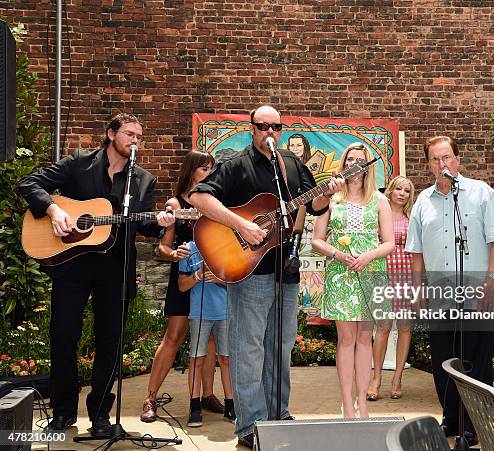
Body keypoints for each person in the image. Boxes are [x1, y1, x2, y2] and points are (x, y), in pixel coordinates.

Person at [188, 105, 343, 449]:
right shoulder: (236, 165)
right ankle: (250, 425)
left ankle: (278, 416)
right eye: (263, 126)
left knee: (281, 346)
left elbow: (315, 206)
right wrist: (241, 223)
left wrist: (327, 193)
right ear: (252, 128)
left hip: (284, 269)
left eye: (276, 127)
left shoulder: (289, 164)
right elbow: (198, 197)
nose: (270, 132)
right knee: (249, 350)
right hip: (249, 269)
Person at [18, 113, 175, 436]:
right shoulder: (79, 163)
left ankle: (101, 414)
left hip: (114, 269)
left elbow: (142, 224)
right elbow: (29, 183)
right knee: (63, 336)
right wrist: (55, 210)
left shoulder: (142, 180)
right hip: (72, 264)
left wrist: (160, 222)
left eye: (139, 136)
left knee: (110, 343)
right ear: (111, 134)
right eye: (130, 134)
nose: (135, 141)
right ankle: (63, 412)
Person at [405, 136, 494, 446]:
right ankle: (451, 419)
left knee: (476, 358)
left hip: (478, 288)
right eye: (436, 160)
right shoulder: (423, 201)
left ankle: (476, 423)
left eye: (447, 157)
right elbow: (416, 251)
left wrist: (491, 281)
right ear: (428, 165)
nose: (443, 164)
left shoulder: (481, 193)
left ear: (458, 159)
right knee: (443, 359)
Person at [140, 151, 226, 422]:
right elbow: (163, 246)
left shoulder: (214, 202)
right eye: (204, 169)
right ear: (191, 171)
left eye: (212, 169)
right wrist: (173, 254)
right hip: (186, 278)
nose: (209, 173)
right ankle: (150, 397)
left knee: (211, 338)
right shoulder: (175, 203)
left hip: (211, 280)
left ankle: (206, 395)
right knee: (174, 336)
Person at [311, 142, 394, 419]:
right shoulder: (332, 199)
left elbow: (390, 243)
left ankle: (363, 401)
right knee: (346, 339)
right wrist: (339, 254)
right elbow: (316, 241)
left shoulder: (380, 199)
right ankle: (347, 403)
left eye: (360, 160)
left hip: (371, 271)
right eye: (350, 160)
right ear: (343, 164)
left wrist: (368, 256)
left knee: (364, 338)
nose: (355, 165)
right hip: (341, 273)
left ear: (367, 166)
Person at [367, 175, 415, 401]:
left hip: (405, 275)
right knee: (383, 327)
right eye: (398, 189)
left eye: (407, 190)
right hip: (383, 274)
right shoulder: (379, 213)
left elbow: (417, 251)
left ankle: (397, 378)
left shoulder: (411, 217)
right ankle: (376, 379)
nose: (402, 193)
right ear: (391, 191)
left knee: (405, 327)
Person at [178, 240, 234, 427]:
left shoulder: (226, 246)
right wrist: (197, 275)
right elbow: (182, 286)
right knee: (197, 359)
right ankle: (195, 408)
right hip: (199, 313)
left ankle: (231, 406)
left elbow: (236, 283)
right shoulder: (189, 249)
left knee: (226, 359)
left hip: (225, 312)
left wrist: (219, 279)